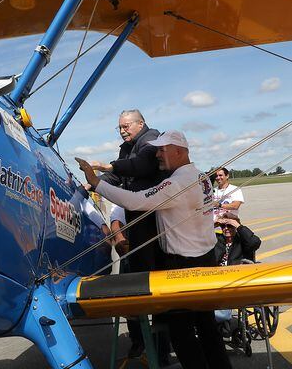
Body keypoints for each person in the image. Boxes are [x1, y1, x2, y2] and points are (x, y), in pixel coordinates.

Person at [76, 130, 232, 369]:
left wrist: (96, 183)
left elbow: (135, 201)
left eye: (162, 150)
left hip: (183, 265)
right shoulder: (201, 177)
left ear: (179, 152)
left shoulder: (176, 183)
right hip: (205, 259)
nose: (157, 154)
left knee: (181, 333)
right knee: (207, 326)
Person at [87, 109, 167, 358]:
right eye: (119, 128)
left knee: (157, 289)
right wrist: (89, 183)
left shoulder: (151, 139)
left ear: (140, 123)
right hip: (134, 228)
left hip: (152, 226)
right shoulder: (126, 148)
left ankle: (162, 349)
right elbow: (114, 175)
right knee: (131, 286)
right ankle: (138, 341)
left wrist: (106, 166)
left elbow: (141, 165)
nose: (122, 131)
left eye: (125, 126)